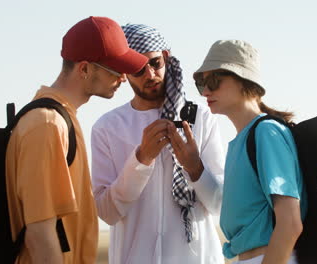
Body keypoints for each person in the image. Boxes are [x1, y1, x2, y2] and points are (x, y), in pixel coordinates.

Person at [5, 16, 147, 263]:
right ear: (84, 69)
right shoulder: (47, 124)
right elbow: (40, 233)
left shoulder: (61, 118)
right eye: (116, 70)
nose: (124, 78)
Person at [91, 24, 225, 264]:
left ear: (166, 58)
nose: (150, 75)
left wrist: (195, 168)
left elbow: (220, 205)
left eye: (154, 64)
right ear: (124, 72)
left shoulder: (202, 119)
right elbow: (107, 212)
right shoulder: (107, 128)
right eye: (138, 69)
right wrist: (141, 160)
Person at [193, 40, 308, 264]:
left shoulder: (266, 132)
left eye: (214, 81)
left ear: (245, 80)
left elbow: (290, 223)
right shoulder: (243, 139)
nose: (205, 90)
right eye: (201, 83)